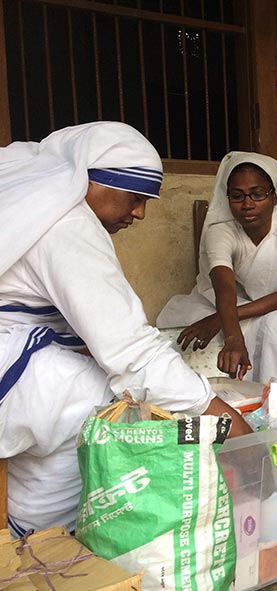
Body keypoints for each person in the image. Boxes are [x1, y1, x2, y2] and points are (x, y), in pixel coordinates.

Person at [0, 122, 251, 537]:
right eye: (135, 197)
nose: (139, 213)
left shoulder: (36, 204)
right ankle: (43, 535)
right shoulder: (67, 225)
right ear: (92, 181)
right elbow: (132, 351)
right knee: (104, 404)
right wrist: (215, 412)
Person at [156, 152, 277, 384]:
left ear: (274, 196)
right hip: (248, 296)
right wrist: (232, 335)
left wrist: (221, 318)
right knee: (190, 322)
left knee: (275, 325)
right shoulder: (220, 230)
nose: (247, 204)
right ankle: (235, 397)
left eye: (257, 194)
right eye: (237, 196)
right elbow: (224, 287)